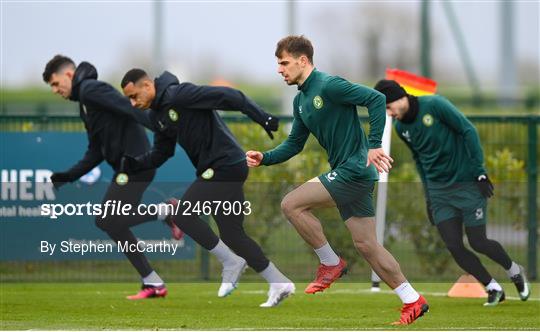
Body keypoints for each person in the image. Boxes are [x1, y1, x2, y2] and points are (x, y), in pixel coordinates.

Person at [246, 35, 428, 325]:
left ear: (303, 61)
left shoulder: (328, 85)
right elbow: (294, 145)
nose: (280, 70)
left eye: (284, 63)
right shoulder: (301, 101)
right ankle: (413, 300)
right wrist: (264, 157)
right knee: (368, 245)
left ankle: (330, 263)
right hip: (352, 173)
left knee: (291, 205)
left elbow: (376, 99)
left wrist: (374, 144)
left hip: (353, 169)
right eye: (278, 64)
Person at [119, 69, 295, 307]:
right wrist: (136, 164)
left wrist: (261, 116)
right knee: (233, 235)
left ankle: (231, 263)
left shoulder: (180, 94)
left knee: (182, 214)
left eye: (133, 96)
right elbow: (162, 153)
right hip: (223, 169)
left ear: (148, 86)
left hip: (225, 165)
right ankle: (279, 282)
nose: (132, 103)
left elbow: (231, 97)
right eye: (128, 99)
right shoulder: (157, 116)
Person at [374, 79, 530, 306]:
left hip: (466, 183)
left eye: (388, 107)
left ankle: (514, 270)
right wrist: (428, 196)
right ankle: (493, 288)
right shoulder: (401, 128)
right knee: (454, 245)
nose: (388, 114)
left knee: (478, 241)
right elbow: (419, 159)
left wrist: (480, 173)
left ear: (398, 97)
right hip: (439, 192)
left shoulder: (435, 105)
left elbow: (468, 130)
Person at [42, 55, 179, 300]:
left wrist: (160, 125)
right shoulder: (85, 103)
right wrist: (68, 176)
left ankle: (167, 213)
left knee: (108, 219)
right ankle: (153, 282)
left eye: (55, 83)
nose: (55, 90)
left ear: (69, 75)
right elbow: (96, 151)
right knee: (112, 223)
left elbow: (128, 107)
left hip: (136, 163)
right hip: (127, 168)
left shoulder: (91, 90)